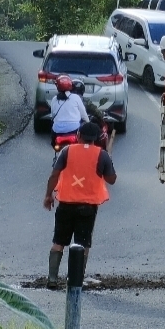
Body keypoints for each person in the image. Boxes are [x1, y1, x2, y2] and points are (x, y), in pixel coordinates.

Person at [42, 121, 118, 289]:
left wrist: (48, 195)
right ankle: (75, 279)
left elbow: (54, 175)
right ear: (97, 139)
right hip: (88, 207)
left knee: (59, 241)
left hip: (66, 203)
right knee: (82, 245)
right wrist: (108, 160)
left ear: (78, 136)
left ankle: (52, 279)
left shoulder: (67, 151)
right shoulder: (102, 155)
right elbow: (111, 180)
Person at [71, 78, 113, 153]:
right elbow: (95, 111)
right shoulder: (85, 101)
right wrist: (101, 115)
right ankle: (100, 151)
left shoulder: (64, 100)